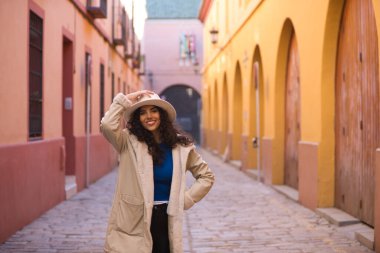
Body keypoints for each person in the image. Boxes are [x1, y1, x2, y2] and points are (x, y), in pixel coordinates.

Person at [100, 90, 215, 253]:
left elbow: (206, 176)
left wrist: (186, 199)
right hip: (134, 220)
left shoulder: (180, 147)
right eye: (143, 112)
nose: (149, 116)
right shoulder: (127, 141)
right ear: (137, 119)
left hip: (166, 219)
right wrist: (126, 99)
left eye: (154, 110)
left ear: (162, 114)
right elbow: (107, 126)